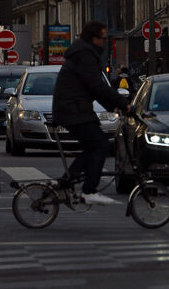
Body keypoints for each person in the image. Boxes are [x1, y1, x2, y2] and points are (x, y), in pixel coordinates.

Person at [52, 21, 129, 206]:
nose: (105, 42)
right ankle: (89, 190)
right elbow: (97, 85)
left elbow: (94, 88)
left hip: (74, 108)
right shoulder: (85, 55)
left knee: (92, 147)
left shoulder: (83, 53)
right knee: (100, 145)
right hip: (73, 109)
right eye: (103, 38)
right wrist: (122, 104)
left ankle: (64, 183)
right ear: (94, 38)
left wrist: (114, 106)